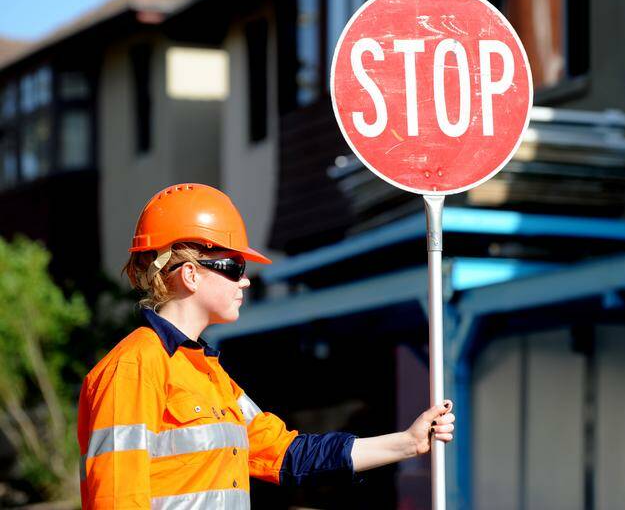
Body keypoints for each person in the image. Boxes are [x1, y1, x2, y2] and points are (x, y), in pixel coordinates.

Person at [77, 183, 455, 508]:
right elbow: (115, 498)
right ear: (190, 274)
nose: (245, 282)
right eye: (235, 267)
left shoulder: (211, 377)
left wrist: (407, 442)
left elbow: (289, 457)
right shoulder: (133, 367)